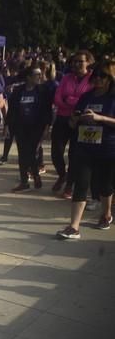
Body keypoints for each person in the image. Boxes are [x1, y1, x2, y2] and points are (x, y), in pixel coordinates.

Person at [57, 60, 115, 239]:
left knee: (104, 186)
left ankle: (106, 215)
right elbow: (74, 118)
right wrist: (75, 120)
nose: (97, 79)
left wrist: (100, 118)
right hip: (84, 145)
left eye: (102, 76)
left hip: (107, 148)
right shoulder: (87, 96)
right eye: (95, 75)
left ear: (110, 78)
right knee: (81, 184)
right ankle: (73, 226)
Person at [52, 51, 94, 198]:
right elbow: (58, 97)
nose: (76, 64)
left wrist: (70, 100)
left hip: (81, 121)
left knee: (74, 154)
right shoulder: (66, 78)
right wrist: (71, 102)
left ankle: (69, 185)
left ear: (88, 63)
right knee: (56, 152)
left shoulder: (92, 79)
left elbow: (88, 99)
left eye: (80, 61)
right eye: (74, 61)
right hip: (63, 118)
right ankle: (62, 175)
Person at [6, 65, 53, 192]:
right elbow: (12, 109)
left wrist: (48, 126)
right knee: (22, 154)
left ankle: (35, 174)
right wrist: (8, 125)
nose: (39, 77)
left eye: (40, 74)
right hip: (20, 127)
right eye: (36, 74)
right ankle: (24, 181)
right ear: (28, 77)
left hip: (36, 127)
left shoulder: (43, 91)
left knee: (32, 152)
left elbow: (48, 110)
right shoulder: (18, 91)